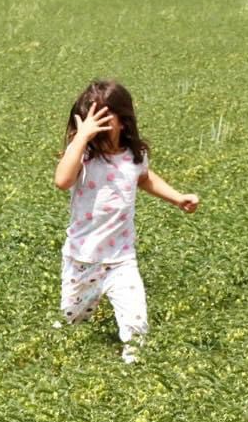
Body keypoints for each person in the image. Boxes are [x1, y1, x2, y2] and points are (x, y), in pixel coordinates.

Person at [53, 79, 199, 364]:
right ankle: (62, 345)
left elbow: (144, 178)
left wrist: (177, 197)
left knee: (136, 323)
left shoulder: (134, 156)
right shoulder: (84, 156)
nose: (98, 128)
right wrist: (81, 138)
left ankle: (134, 365)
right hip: (83, 259)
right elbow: (62, 181)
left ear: (124, 121)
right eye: (89, 121)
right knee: (72, 322)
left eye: (105, 119)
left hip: (121, 258)